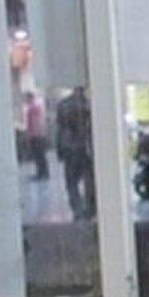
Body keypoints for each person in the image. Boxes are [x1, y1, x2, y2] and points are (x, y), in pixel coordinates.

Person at [56, 87, 94, 219]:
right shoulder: (89, 105)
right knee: (88, 178)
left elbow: (60, 129)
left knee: (71, 181)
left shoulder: (63, 104)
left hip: (69, 147)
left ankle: (77, 210)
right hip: (85, 147)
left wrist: (59, 149)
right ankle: (90, 208)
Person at [23, 91, 49, 180]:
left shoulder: (32, 108)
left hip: (36, 135)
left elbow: (33, 123)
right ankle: (43, 173)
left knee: (38, 155)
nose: (25, 100)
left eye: (26, 98)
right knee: (40, 155)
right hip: (39, 134)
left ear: (30, 98)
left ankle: (42, 173)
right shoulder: (37, 107)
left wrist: (30, 135)